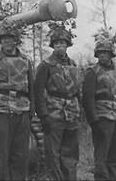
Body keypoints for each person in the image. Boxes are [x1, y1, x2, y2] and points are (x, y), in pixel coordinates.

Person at [0, 20, 35, 181]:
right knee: (2, 158)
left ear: (16, 40)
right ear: (0, 41)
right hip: (1, 112)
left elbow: (31, 88)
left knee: (21, 158)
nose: (7, 42)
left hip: (22, 113)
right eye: (4, 39)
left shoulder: (26, 60)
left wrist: (31, 113)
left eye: (11, 38)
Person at [34, 24, 82, 180]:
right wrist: (43, 115)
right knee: (53, 154)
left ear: (67, 45)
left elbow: (78, 91)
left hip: (72, 114)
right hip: (54, 114)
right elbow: (38, 92)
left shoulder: (73, 65)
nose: (60, 46)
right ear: (53, 46)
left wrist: (79, 111)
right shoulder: (46, 65)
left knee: (71, 153)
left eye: (63, 43)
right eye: (57, 44)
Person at [82, 34, 116, 181]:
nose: (103, 56)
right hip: (102, 117)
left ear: (111, 54)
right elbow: (87, 99)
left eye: (105, 52)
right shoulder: (92, 72)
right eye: (100, 53)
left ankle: (115, 178)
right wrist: (94, 122)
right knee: (102, 154)